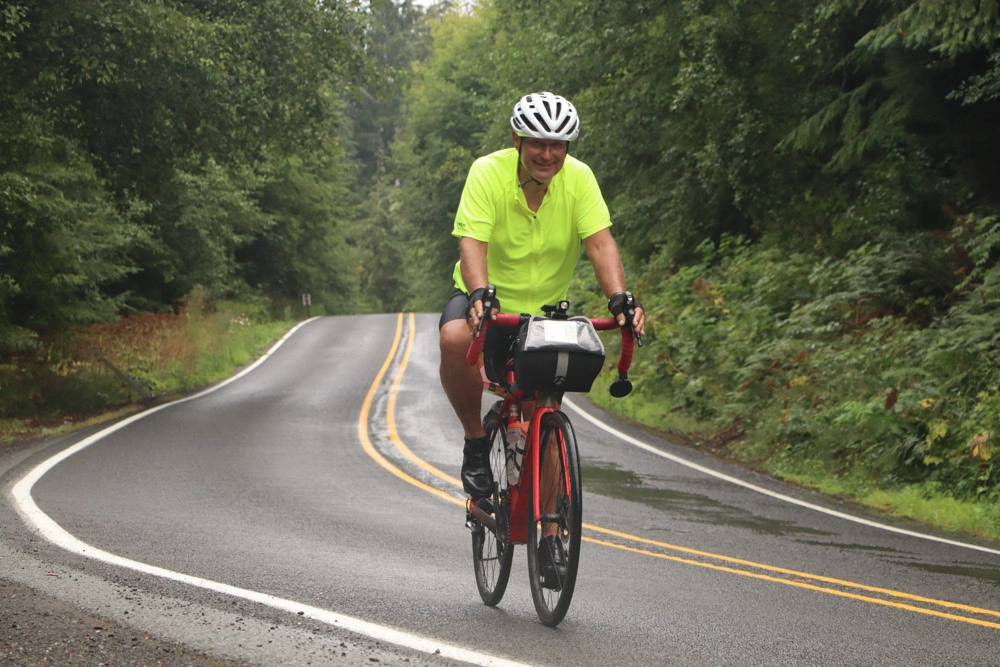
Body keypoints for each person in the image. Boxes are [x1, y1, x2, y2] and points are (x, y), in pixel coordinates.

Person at [438, 91, 646, 501]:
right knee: (453, 339)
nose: (547, 154)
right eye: (537, 142)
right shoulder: (487, 172)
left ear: (567, 148)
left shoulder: (579, 178)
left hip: (544, 317)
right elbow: (473, 240)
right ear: (517, 140)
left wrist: (620, 297)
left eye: (556, 146)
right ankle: (476, 441)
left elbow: (601, 244)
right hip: (488, 304)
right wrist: (481, 293)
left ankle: (551, 540)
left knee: (544, 422)